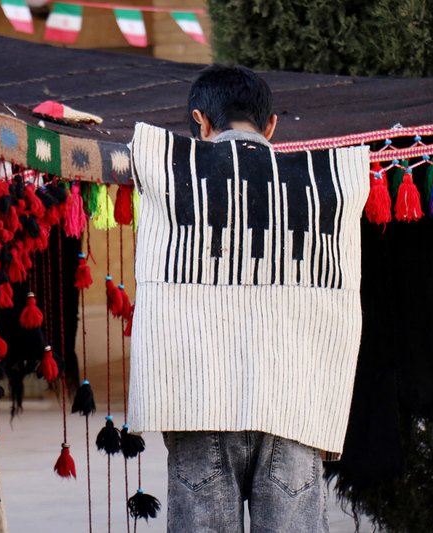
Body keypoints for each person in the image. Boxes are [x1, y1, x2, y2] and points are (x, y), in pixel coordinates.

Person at [127, 64, 369, 532]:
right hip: (294, 408)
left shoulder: (172, 177)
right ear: (271, 125)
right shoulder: (321, 185)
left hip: (196, 404)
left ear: (200, 121)